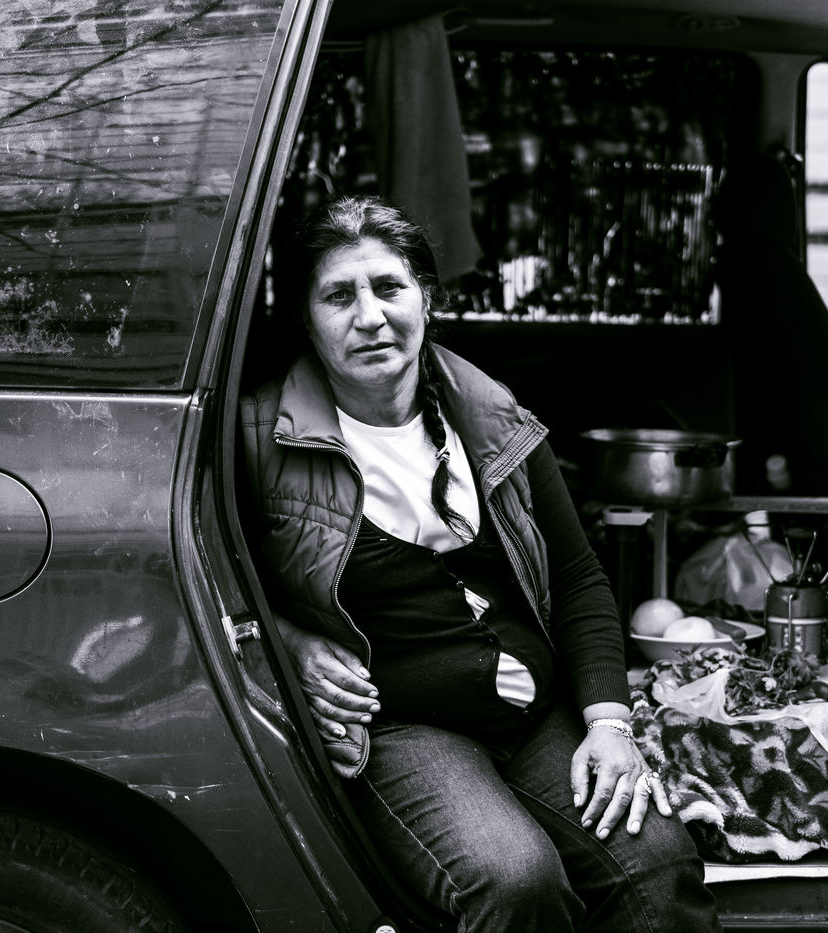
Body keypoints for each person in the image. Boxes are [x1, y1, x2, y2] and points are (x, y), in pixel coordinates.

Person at [241, 195, 719, 933]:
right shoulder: (257, 437)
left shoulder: (492, 416)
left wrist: (609, 723)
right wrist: (289, 640)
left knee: (658, 864)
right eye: (339, 296)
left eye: (389, 287)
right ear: (307, 319)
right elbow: (204, 580)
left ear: (426, 300)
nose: (370, 316)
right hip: (399, 728)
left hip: (536, 717)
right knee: (515, 878)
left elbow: (579, 579)